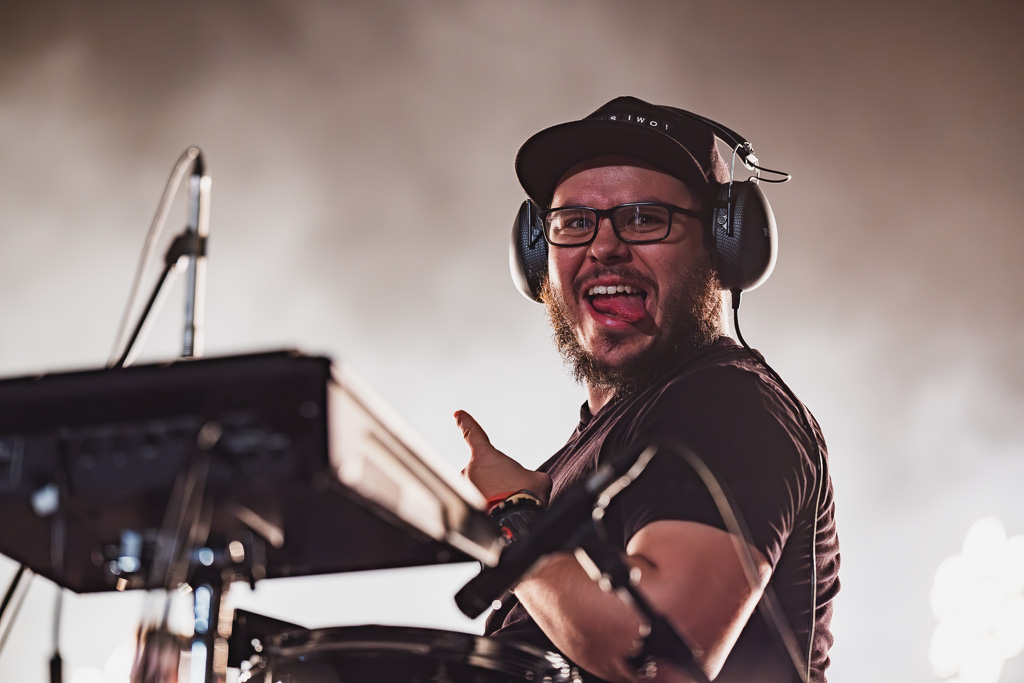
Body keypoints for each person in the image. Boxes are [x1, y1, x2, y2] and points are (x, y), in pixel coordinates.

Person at [454, 96, 840, 683]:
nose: (603, 247)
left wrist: (514, 517)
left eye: (643, 219)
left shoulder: (730, 406)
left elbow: (655, 660)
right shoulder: (592, 448)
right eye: (574, 222)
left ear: (725, 244)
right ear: (537, 257)